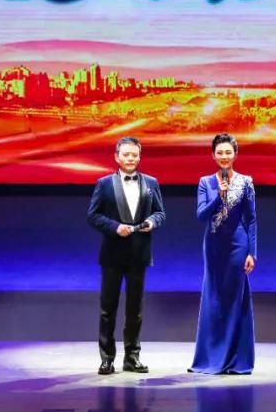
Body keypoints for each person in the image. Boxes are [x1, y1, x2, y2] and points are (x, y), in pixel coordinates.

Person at [87, 136, 166, 375]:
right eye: (126, 155)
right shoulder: (104, 184)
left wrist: (152, 222)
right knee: (107, 310)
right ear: (117, 157)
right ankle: (107, 359)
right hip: (112, 254)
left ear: (139, 157)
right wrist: (114, 227)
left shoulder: (151, 183)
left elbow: (160, 213)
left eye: (134, 155)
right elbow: (93, 215)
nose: (130, 159)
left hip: (139, 254)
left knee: (135, 310)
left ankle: (132, 357)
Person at [189, 132, 257, 374]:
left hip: (238, 246)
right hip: (213, 247)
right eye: (220, 152)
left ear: (235, 154)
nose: (224, 156)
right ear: (213, 155)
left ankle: (236, 360)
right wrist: (218, 197)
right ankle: (210, 358)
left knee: (234, 298)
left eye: (228, 152)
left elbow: (251, 219)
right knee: (213, 299)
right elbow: (201, 216)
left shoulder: (246, 182)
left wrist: (252, 252)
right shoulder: (205, 182)